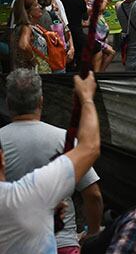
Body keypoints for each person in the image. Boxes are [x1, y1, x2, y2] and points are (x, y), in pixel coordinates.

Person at [0, 69, 103, 253]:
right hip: (63, 243)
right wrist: (93, 234)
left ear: (8, 103)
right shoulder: (64, 140)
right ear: (41, 101)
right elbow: (93, 194)